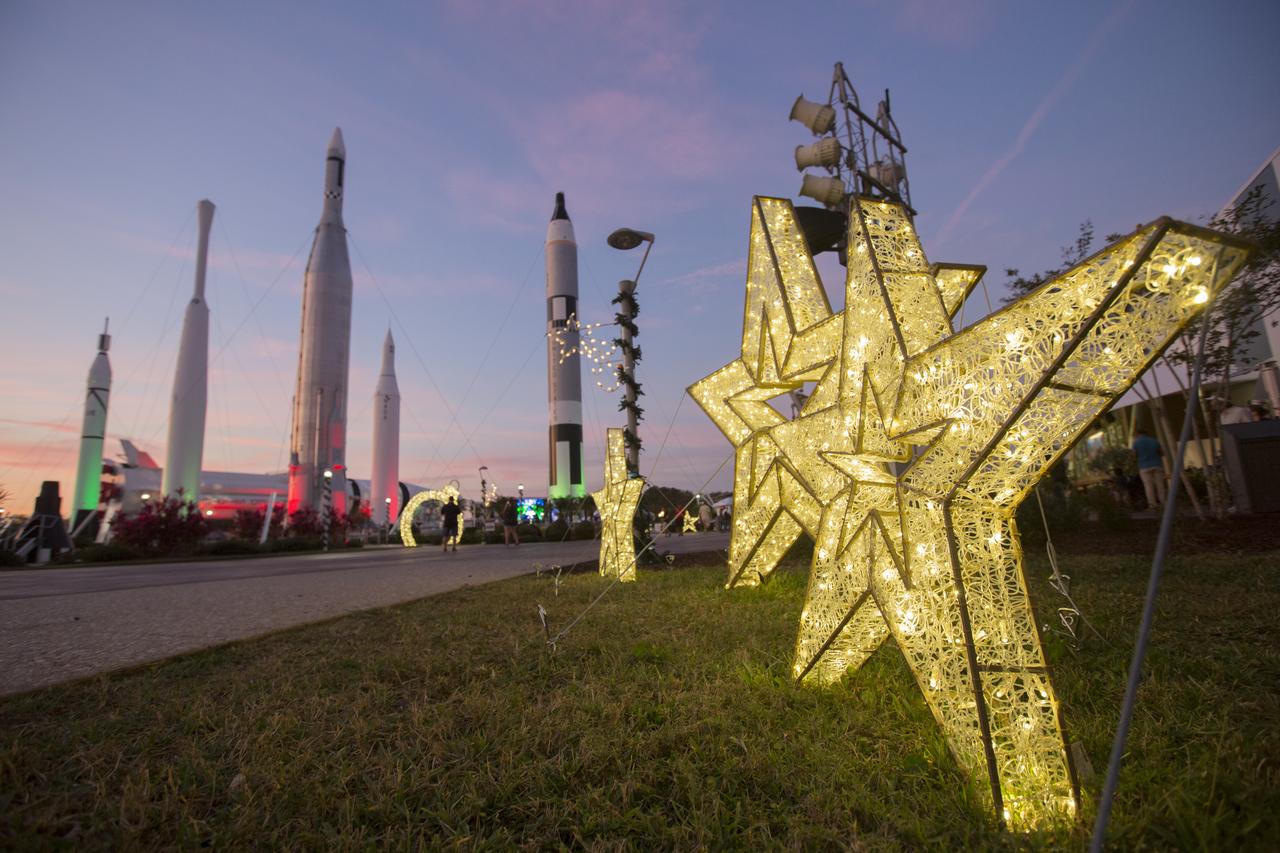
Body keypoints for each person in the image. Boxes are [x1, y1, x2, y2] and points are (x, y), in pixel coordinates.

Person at [1131, 428, 1165, 510]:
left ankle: (1152, 505)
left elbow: (1134, 456)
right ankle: (1164, 503)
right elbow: (1162, 453)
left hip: (1144, 467)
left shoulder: (1136, 443)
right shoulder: (1154, 441)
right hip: (1157, 465)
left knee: (1148, 486)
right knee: (1160, 486)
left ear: (1138, 434)